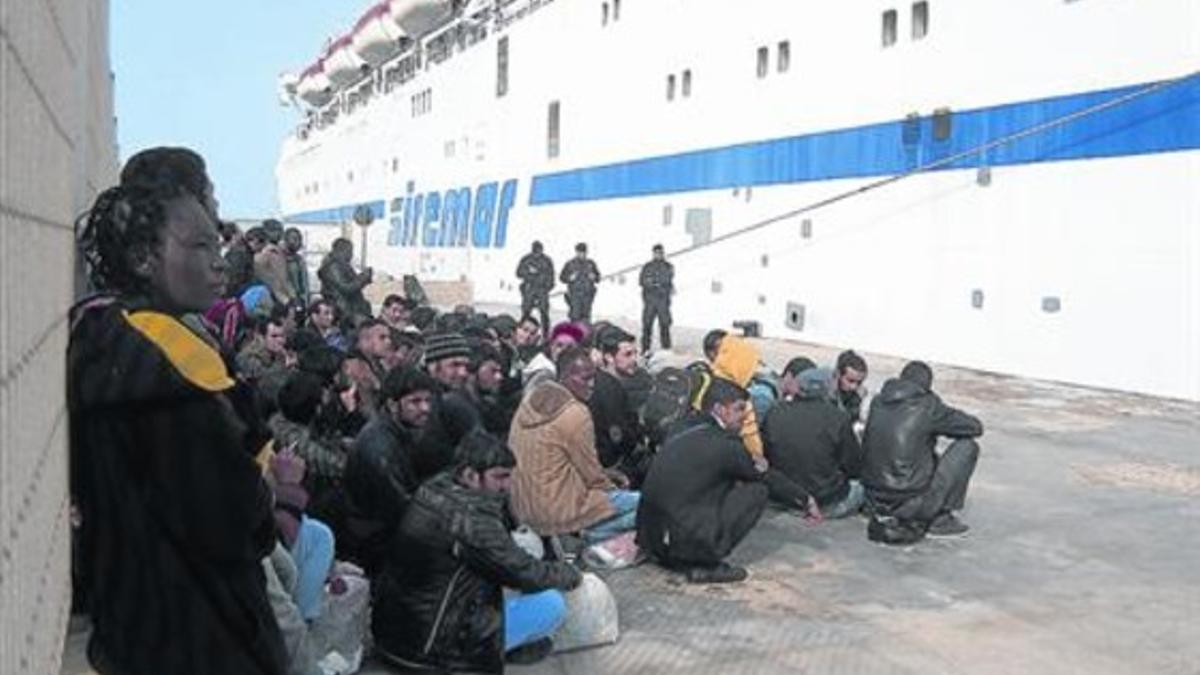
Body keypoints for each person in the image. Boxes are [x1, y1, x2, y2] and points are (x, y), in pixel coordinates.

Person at [70, 155, 286, 674]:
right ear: (145, 257)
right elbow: (236, 522)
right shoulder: (173, 364)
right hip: (201, 634)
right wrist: (265, 479)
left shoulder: (102, 333)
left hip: (135, 623)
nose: (219, 262)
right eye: (199, 246)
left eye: (217, 244)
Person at [372, 431, 583, 671]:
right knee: (551, 604)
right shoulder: (471, 519)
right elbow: (524, 573)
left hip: (392, 637)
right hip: (433, 652)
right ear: (470, 475)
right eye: (500, 477)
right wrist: (570, 574)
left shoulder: (431, 490)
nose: (507, 486)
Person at [638, 378, 773, 584]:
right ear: (719, 409)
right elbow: (761, 475)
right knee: (757, 490)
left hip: (653, 542)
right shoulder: (726, 444)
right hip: (682, 544)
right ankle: (706, 563)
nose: (744, 417)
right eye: (738, 409)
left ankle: (680, 553)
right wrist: (804, 498)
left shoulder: (681, 426)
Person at [510, 347, 640, 543]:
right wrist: (614, 489)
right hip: (555, 513)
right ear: (565, 378)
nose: (592, 385)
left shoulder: (530, 400)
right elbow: (593, 477)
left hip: (521, 507)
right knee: (648, 506)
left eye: (593, 378)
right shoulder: (576, 413)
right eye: (585, 379)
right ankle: (589, 535)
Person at [862, 361, 984, 537]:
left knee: (917, 447)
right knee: (968, 447)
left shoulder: (877, 401)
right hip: (909, 504)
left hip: (873, 499)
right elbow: (974, 427)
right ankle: (941, 516)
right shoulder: (928, 405)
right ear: (927, 386)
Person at [343, 366, 436, 574]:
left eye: (428, 401)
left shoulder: (398, 431)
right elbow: (403, 507)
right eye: (415, 401)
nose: (425, 408)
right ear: (393, 405)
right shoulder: (380, 447)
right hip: (373, 542)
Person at [762, 367, 865, 519]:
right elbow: (853, 466)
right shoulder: (838, 418)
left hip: (780, 495)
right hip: (825, 501)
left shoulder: (775, 412)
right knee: (861, 487)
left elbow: (766, 453)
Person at [413, 332, 482, 480]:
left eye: (465, 365)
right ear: (433, 367)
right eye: (454, 365)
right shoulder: (449, 402)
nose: (463, 373)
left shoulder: (456, 396)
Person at [318, 237, 373, 327]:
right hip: (342, 308)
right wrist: (363, 279)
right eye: (349, 252)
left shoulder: (343, 265)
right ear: (340, 251)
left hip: (352, 306)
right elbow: (346, 288)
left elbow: (353, 281)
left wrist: (363, 277)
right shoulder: (333, 267)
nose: (351, 255)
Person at [639, 243, 674, 353]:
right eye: (656, 253)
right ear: (653, 253)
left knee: (664, 326)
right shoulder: (647, 266)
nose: (658, 255)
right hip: (650, 301)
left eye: (660, 253)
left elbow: (667, 280)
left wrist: (654, 283)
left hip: (662, 301)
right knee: (647, 326)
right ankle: (645, 349)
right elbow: (642, 281)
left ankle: (666, 349)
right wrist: (653, 284)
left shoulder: (668, 266)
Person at [516, 241, 554, 336]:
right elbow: (518, 273)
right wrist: (529, 272)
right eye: (535, 251)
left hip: (542, 289)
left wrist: (547, 288)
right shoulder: (526, 259)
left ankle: (546, 334)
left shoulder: (547, 260)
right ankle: (521, 331)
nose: (537, 253)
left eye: (539, 251)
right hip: (530, 288)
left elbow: (551, 276)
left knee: (544, 313)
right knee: (526, 312)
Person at [559, 242, 600, 322]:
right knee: (575, 317)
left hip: (587, 295)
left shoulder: (590, 264)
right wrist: (569, 278)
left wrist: (594, 277)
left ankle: (586, 333)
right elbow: (562, 278)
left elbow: (598, 278)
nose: (581, 254)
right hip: (575, 295)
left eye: (583, 252)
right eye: (579, 252)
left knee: (586, 318)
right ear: (576, 252)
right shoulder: (570, 264)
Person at [832, 349, 869, 427]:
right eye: (850, 381)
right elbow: (838, 421)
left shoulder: (858, 393)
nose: (854, 386)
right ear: (838, 374)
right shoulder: (826, 392)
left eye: (859, 382)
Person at [283, 226, 310, 308]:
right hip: (285, 299)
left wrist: (305, 299)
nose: (297, 242)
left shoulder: (299, 260)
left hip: (299, 300)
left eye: (299, 239)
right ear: (286, 240)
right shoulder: (279, 258)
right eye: (294, 239)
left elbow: (304, 284)